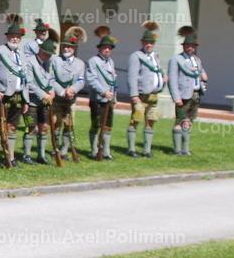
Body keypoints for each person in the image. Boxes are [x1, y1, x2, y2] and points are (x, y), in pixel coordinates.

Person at [0, 15, 29, 167]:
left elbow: (25, 77)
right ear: (7, 37)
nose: (15, 39)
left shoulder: (22, 54)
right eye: (12, 36)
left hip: (18, 95)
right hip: (4, 95)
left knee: (13, 126)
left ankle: (10, 157)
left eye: (17, 37)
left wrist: (26, 99)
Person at [126, 21, 166, 158]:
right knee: (135, 120)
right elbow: (132, 76)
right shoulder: (136, 56)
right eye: (146, 42)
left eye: (151, 42)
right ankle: (131, 149)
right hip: (141, 94)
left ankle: (146, 150)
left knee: (151, 121)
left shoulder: (155, 56)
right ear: (142, 43)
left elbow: (158, 71)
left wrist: (163, 79)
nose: (149, 45)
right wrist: (134, 94)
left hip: (154, 94)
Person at [169, 26, 208, 156]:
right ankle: (177, 149)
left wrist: (204, 75)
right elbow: (173, 80)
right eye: (188, 46)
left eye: (192, 46)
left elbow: (200, 71)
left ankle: (185, 149)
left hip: (195, 93)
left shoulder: (197, 60)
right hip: (183, 95)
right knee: (179, 121)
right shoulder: (176, 60)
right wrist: (176, 97)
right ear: (183, 46)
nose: (190, 48)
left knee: (189, 121)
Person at [51, 26, 87, 160]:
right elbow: (51, 78)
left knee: (69, 125)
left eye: (70, 47)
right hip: (57, 98)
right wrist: (62, 91)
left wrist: (72, 90)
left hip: (71, 99)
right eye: (65, 46)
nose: (67, 48)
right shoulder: (55, 60)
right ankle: (55, 150)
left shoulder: (80, 63)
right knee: (56, 123)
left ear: (75, 48)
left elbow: (81, 81)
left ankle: (65, 151)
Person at [23, 30, 58, 165]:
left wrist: (52, 91)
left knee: (44, 127)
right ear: (39, 50)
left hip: (46, 100)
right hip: (32, 100)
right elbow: (30, 83)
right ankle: (27, 155)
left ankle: (41, 155)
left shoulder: (49, 63)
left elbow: (52, 78)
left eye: (48, 55)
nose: (46, 57)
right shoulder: (30, 62)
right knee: (31, 127)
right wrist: (44, 95)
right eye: (44, 53)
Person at [86, 25, 118, 160]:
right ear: (99, 48)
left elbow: (113, 80)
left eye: (109, 48)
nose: (107, 50)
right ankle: (94, 151)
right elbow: (92, 79)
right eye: (104, 48)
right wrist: (104, 92)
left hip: (109, 99)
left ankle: (106, 151)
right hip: (97, 99)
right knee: (96, 125)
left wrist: (113, 97)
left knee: (108, 126)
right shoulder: (94, 61)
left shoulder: (110, 61)